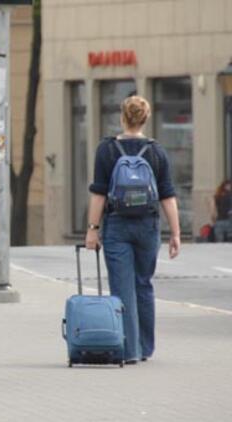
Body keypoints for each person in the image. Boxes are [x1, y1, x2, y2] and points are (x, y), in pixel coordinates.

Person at [85, 95, 180, 365]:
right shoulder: (156, 151)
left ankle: (129, 350)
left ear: (122, 117)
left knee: (122, 287)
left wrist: (93, 229)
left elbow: (99, 194)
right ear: (145, 119)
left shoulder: (107, 150)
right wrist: (175, 233)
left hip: (117, 225)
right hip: (148, 226)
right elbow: (168, 196)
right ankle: (146, 347)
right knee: (144, 284)